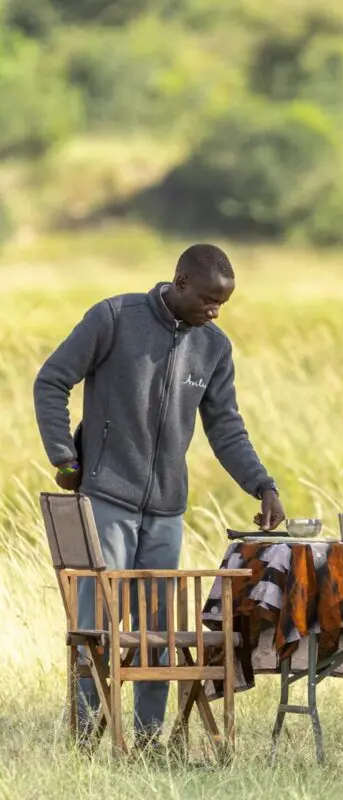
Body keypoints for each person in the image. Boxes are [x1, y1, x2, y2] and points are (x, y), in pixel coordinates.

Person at [33, 243, 285, 751]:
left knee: (159, 631)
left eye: (224, 305)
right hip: (106, 496)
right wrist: (65, 456)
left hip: (167, 510)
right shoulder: (114, 317)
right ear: (182, 282)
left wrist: (262, 484)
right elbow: (52, 381)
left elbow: (226, 427)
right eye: (209, 300)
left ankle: (145, 745)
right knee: (98, 625)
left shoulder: (213, 347)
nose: (215, 312)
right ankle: (84, 739)